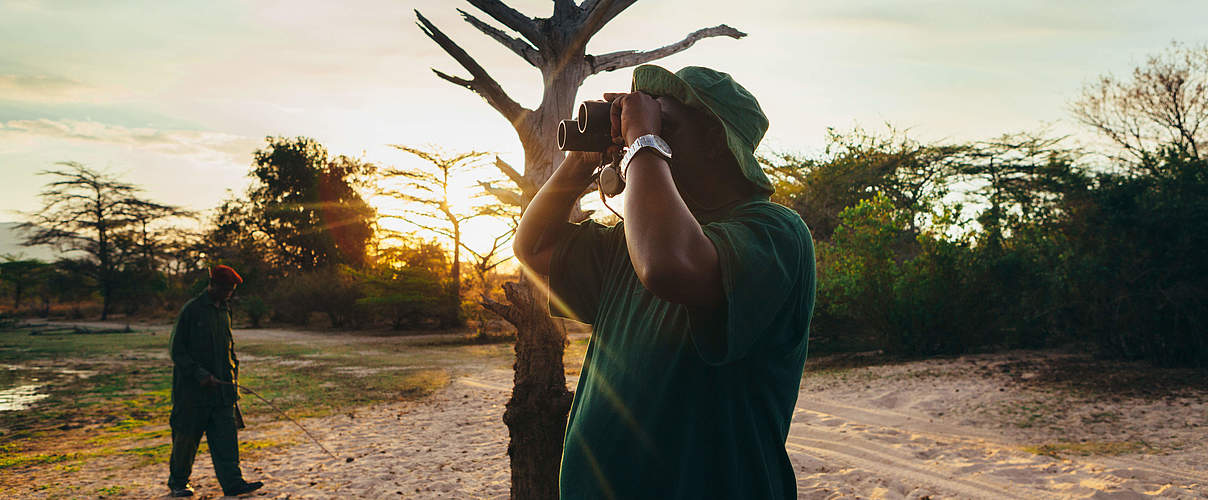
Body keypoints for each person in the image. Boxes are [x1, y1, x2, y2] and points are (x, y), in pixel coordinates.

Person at [514, 64, 816, 499]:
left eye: (665, 124)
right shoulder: (632, 240)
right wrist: (582, 160)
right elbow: (534, 247)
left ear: (715, 141)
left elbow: (667, 265)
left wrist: (642, 141)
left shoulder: (775, 233)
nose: (640, 135)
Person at [166, 264, 263, 497]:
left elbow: (229, 350)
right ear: (213, 285)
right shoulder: (191, 310)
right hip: (192, 393)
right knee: (186, 440)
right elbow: (176, 350)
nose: (229, 293)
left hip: (223, 392)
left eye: (232, 290)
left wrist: (233, 379)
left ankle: (233, 484)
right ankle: (178, 483)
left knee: (226, 439)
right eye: (226, 289)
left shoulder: (225, 310)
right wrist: (199, 374)